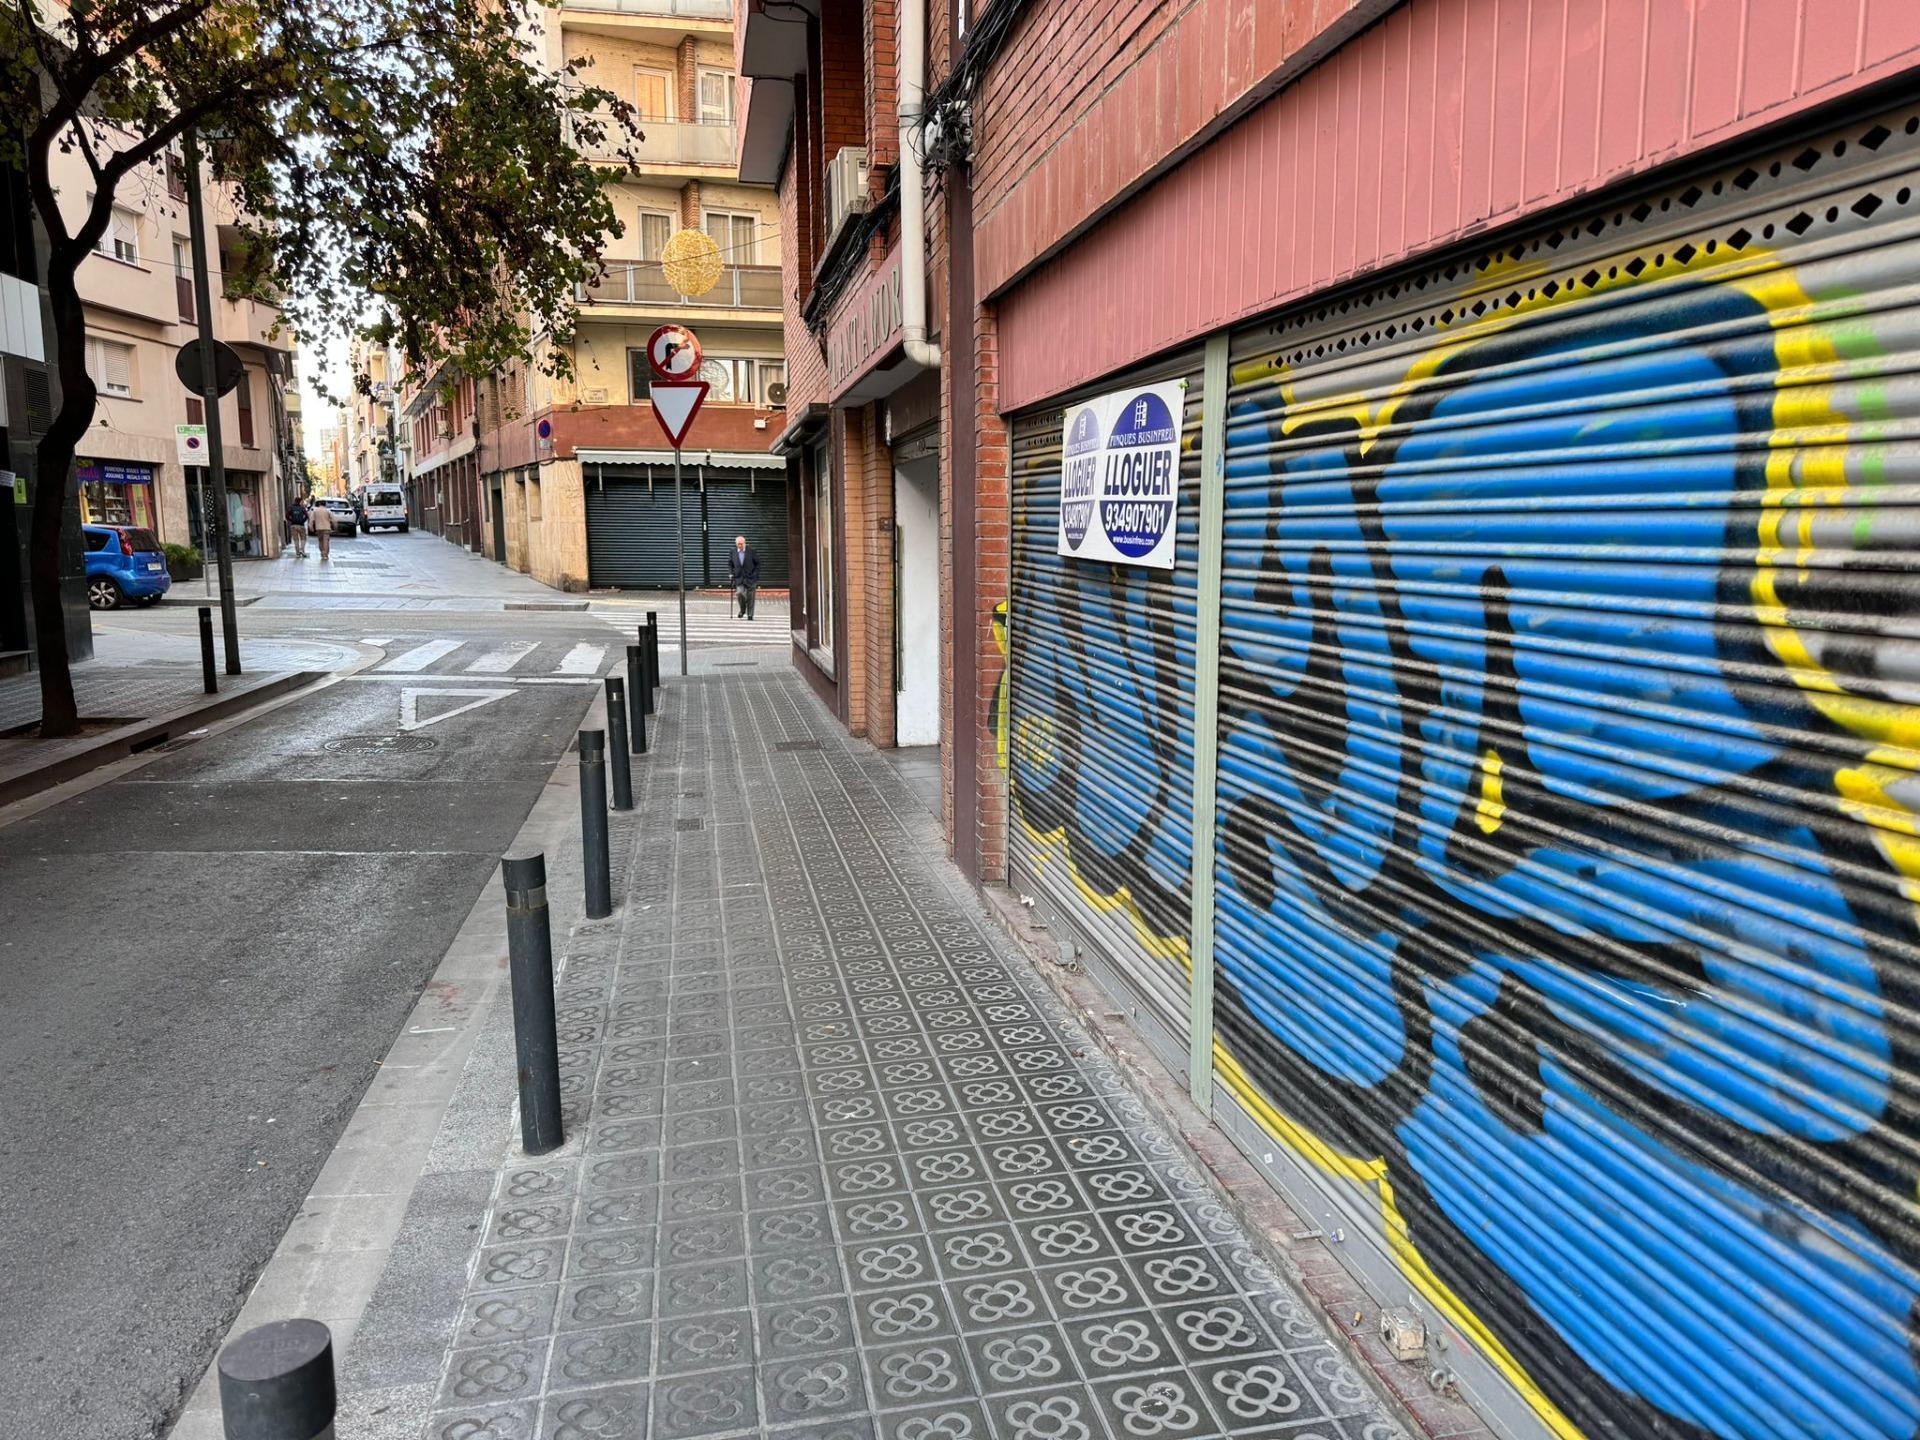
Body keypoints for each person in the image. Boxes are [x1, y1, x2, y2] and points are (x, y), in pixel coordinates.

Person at [728, 534, 760, 619]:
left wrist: (755, 574)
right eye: (738, 544)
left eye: (741, 544)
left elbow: (758, 563)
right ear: (736, 544)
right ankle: (742, 610)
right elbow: (730, 564)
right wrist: (731, 573)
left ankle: (750, 614)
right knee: (739, 593)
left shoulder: (751, 551)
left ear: (744, 543)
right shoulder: (733, 551)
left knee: (751, 596)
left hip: (751, 577)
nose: (740, 546)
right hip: (739, 577)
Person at [308, 496, 336, 561]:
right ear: (325, 504)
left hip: (318, 528)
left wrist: (311, 527)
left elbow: (311, 520)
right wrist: (335, 527)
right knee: (326, 541)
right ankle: (325, 554)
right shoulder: (328, 511)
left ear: (319, 504)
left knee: (320, 541)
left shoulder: (315, 511)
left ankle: (322, 553)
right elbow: (333, 520)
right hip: (327, 528)